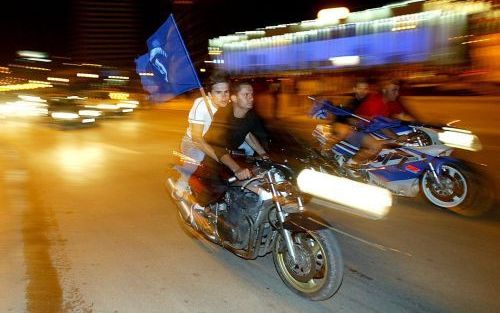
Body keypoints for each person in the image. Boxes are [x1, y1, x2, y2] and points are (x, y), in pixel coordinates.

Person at [172, 70, 231, 198]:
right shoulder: (201, 104)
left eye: (226, 92)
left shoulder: (229, 106)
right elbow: (197, 138)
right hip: (193, 142)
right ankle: (182, 183)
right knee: (198, 156)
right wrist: (220, 157)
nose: (224, 96)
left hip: (215, 142)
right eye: (218, 92)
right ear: (209, 94)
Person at [203, 81, 269, 182]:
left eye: (251, 94)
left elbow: (248, 134)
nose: (251, 98)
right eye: (246, 94)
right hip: (212, 157)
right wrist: (236, 169)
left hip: (233, 154)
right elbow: (217, 147)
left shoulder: (251, 115)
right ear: (234, 98)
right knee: (222, 188)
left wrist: (263, 154)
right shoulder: (223, 115)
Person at [347, 79, 416, 168]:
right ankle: (350, 164)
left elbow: (403, 116)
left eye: (398, 90)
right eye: (394, 90)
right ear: (384, 90)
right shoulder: (375, 103)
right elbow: (381, 127)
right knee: (376, 146)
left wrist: (424, 126)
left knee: (401, 135)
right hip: (357, 130)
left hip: (373, 129)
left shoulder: (392, 102)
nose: (397, 93)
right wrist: (396, 138)